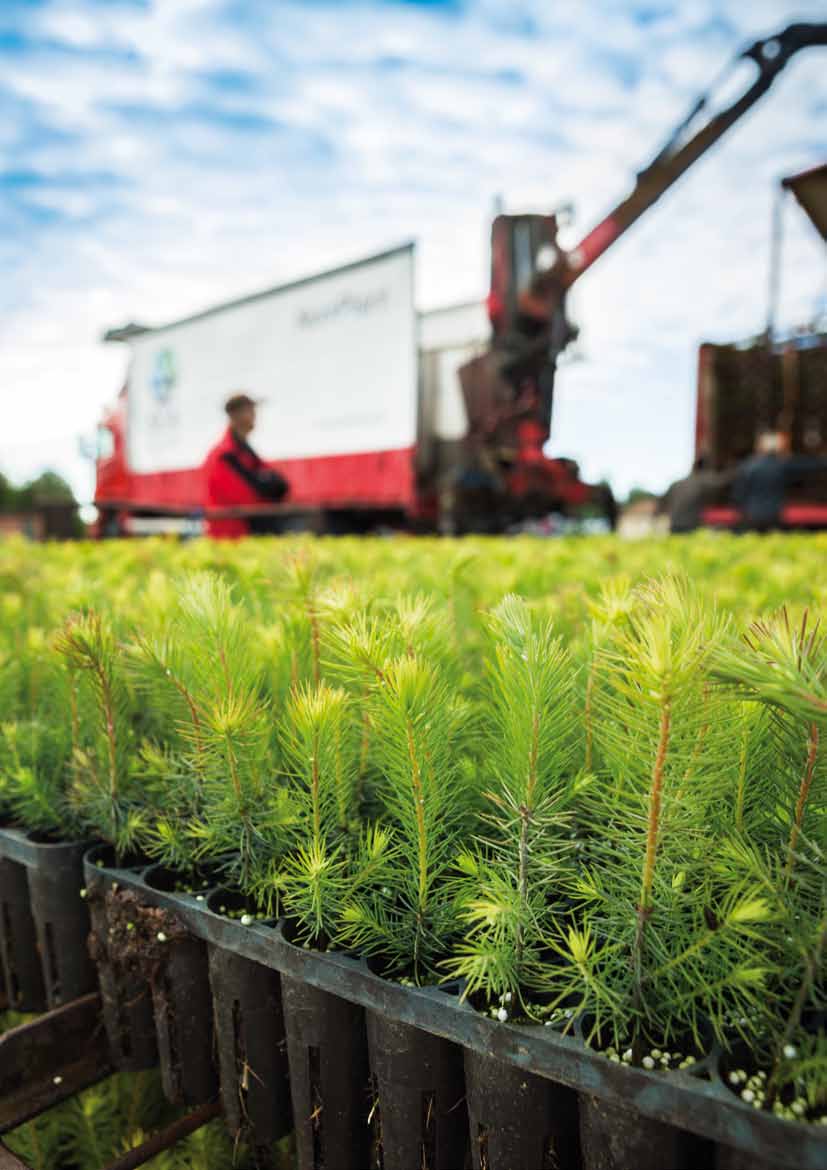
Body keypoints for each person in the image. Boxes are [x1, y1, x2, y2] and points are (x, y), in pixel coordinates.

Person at [203, 393, 287, 538]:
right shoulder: (223, 454)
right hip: (230, 536)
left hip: (246, 533)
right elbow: (248, 497)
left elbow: (279, 484)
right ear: (236, 415)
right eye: (250, 410)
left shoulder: (244, 451)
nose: (255, 416)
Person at [732, 432, 827, 532]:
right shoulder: (782, 465)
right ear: (779, 449)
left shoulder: (748, 466)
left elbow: (739, 493)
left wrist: (739, 512)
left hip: (751, 513)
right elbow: (811, 465)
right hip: (774, 514)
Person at [659, 457, 733, 534]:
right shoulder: (702, 481)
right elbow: (721, 482)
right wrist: (734, 469)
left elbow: (663, 503)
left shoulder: (676, 484)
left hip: (674, 523)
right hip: (691, 524)